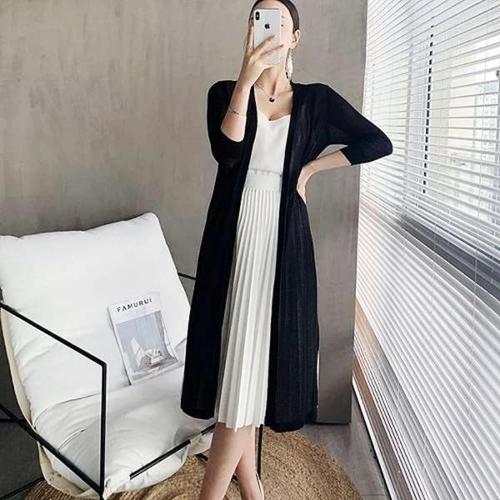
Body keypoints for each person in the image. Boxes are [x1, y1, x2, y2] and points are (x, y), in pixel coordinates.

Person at [182, 2, 393, 499]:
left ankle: (229, 491)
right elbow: (227, 151)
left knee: (257, 362)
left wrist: (310, 169)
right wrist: (245, 78)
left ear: (294, 37)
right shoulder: (224, 92)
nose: (267, 29)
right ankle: (251, 486)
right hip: (233, 237)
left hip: (284, 240)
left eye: (277, 22)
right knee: (237, 363)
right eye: (258, 19)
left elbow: (376, 142)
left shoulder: (316, 101)